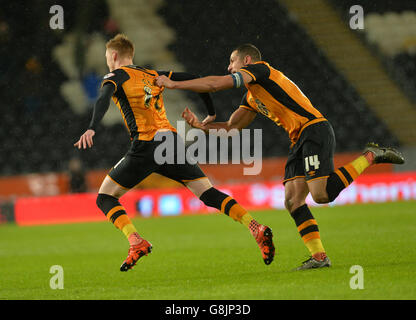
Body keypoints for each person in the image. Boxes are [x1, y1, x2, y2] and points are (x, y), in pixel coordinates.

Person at [155, 43, 405, 270]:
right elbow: (231, 128)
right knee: (293, 200)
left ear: (248, 60)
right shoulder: (252, 96)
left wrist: (175, 84)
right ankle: (319, 257)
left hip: (313, 128)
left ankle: (371, 155)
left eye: (232, 61)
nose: (229, 66)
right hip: (298, 138)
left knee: (321, 194)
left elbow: (216, 84)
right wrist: (200, 126)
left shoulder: (262, 70)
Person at [74, 35, 275, 272]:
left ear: (114, 55)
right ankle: (255, 226)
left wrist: (91, 127)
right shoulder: (153, 75)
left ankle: (136, 242)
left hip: (146, 145)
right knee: (207, 193)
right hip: (170, 142)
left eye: (108, 57)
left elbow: (103, 99)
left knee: (105, 197)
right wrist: (210, 112)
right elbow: (195, 80)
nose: (108, 62)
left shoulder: (115, 76)